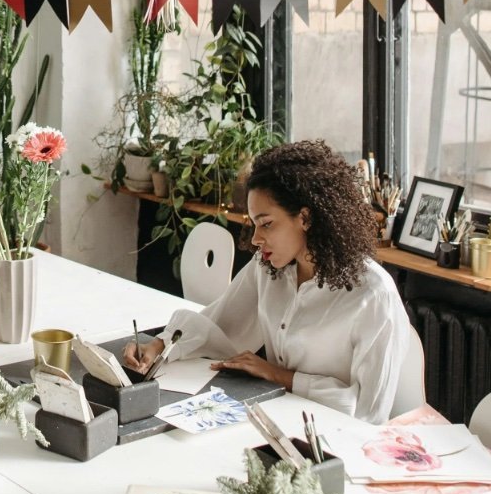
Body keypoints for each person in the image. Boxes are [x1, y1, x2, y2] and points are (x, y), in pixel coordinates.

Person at [124, 140, 411, 423]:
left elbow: (367, 411)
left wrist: (279, 376)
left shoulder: (373, 295)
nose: (256, 239)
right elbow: (219, 324)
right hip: (275, 418)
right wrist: (159, 347)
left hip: (332, 439)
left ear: (306, 218)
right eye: (254, 224)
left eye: (267, 224)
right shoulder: (269, 268)